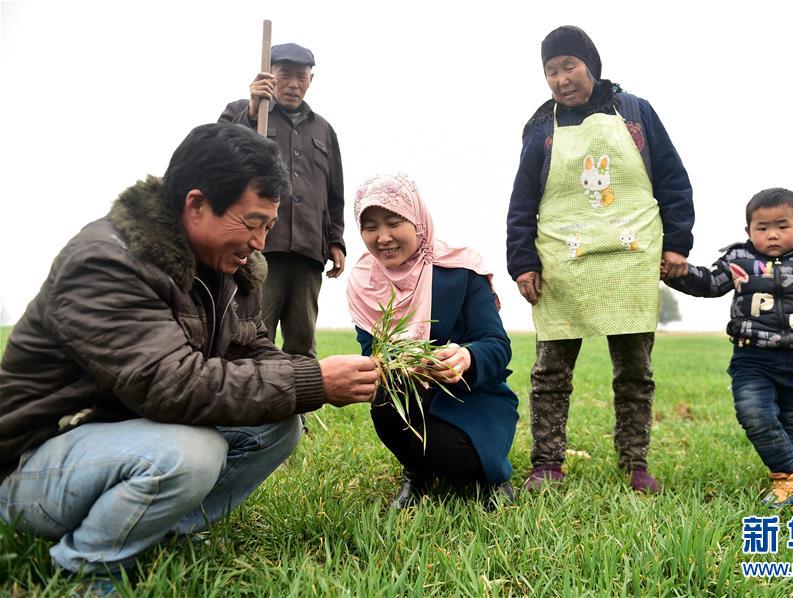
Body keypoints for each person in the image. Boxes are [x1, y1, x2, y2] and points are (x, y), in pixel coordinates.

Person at [0, 123, 379, 578]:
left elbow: (254, 349)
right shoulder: (106, 262)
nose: (260, 243)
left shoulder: (229, 267)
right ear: (196, 204)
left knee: (281, 422)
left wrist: (325, 379)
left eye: (269, 226)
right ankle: (89, 569)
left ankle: (160, 531)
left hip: (120, 435)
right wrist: (315, 380)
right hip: (34, 463)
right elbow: (172, 385)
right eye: (253, 223)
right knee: (190, 452)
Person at [506, 26, 695, 493]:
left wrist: (678, 244)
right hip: (563, 266)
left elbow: (672, 179)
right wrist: (523, 261)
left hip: (629, 264)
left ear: (591, 65)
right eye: (550, 71)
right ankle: (546, 463)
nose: (560, 78)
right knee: (550, 372)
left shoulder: (635, 113)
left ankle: (635, 464)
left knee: (634, 372)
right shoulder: (541, 127)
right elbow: (522, 200)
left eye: (569, 66)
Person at [665, 188, 793, 507]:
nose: (772, 234)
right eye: (762, 228)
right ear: (748, 231)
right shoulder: (739, 260)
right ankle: (791, 474)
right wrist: (677, 274)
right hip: (753, 357)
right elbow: (707, 283)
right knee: (753, 412)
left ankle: (790, 482)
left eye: (782, 225)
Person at [347, 174, 519, 508]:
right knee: (384, 400)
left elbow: (497, 345)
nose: (383, 238)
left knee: (455, 455)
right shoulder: (365, 282)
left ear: (417, 220)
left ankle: (490, 478)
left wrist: (466, 357)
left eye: (394, 222)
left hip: (472, 398)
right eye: (370, 227)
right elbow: (372, 355)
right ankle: (417, 473)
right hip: (411, 399)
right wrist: (394, 366)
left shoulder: (459, 269)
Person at [219, 42, 345, 358]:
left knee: (302, 342)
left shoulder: (323, 129)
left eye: (301, 77)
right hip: (258, 248)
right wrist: (250, 114)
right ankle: (250, 403)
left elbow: (333, 193)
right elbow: (215, 159)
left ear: (310, 80)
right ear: (269, 74)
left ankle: (298, 406)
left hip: (307, 251)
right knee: (250, 335)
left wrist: (336, 240)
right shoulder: (241, 112)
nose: (292, 84)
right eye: (284, 74)